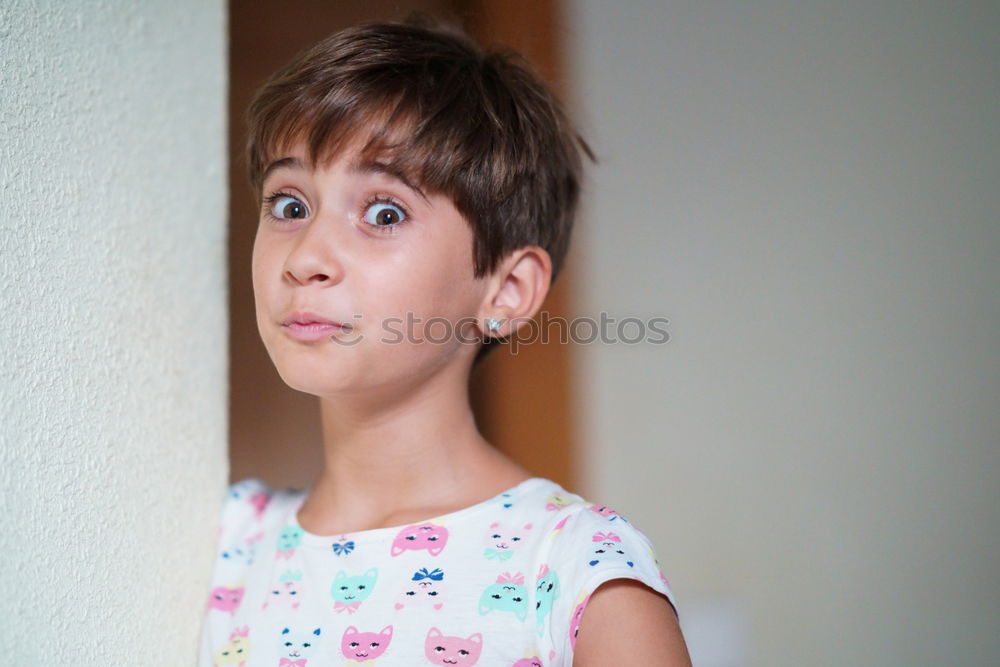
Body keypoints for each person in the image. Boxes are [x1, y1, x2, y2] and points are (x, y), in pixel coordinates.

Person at [199, 15, 691, 667]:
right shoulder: (226, 542)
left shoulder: (577, 571)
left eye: (384, 212)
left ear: (507, 289)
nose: (306, 256)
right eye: (290, 204)